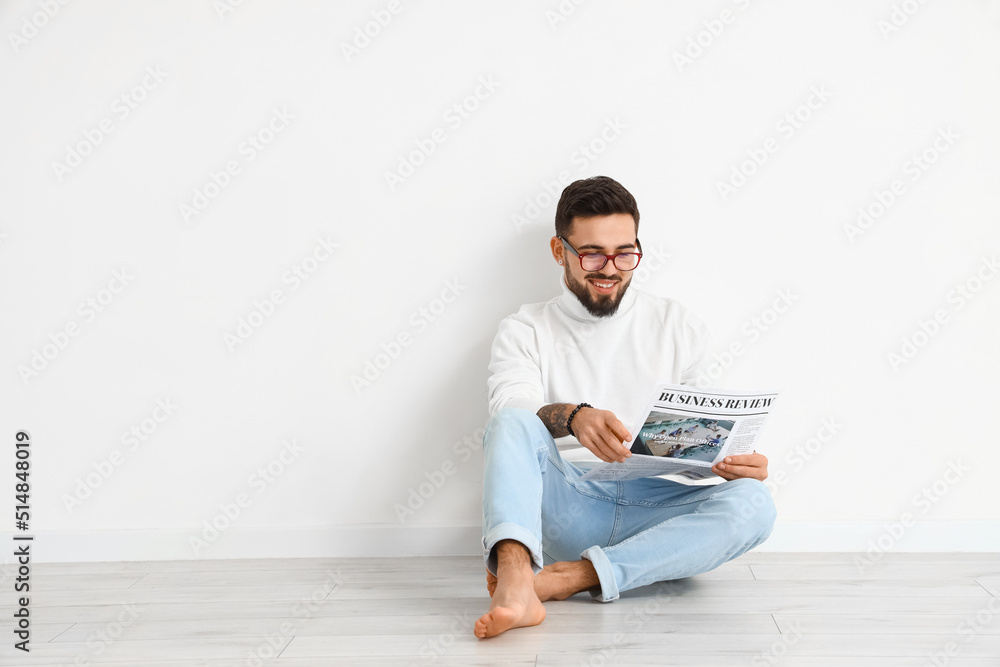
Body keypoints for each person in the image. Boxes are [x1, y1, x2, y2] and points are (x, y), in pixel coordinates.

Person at [474, 176, 776, 639]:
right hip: (569, 502)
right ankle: (514, 582)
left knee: (755, 502)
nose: (610, 269)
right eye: (592, 254)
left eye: (624, 253)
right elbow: (510, 409)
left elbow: (703, 434)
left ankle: (576, 577)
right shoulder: (525, 328)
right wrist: (573, 416)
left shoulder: (677, 323)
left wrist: (731, 462)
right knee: (510, 422)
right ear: (559, 251)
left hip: (655, 508)